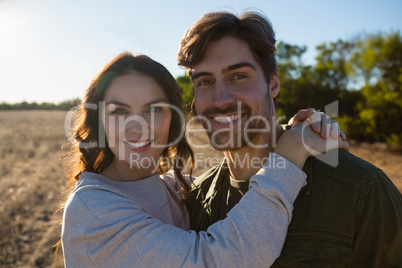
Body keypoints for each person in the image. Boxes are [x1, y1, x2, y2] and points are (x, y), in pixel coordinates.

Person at [61, 52, 347, 267]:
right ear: (99, 121)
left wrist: (292, 133)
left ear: (173, 118)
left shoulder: (172, 187)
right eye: (120, 112)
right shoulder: (95, 209)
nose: (138, 127)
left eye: (154, 109)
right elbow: (215, 260)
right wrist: (289, 154)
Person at [177, 10, 402, 267]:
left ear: (273, 83)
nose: (221, 99)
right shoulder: (193, 203)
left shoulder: (358, 189)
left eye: (238, 76)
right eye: (205, 81)